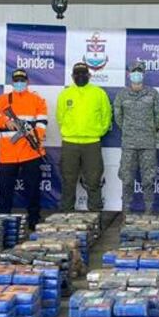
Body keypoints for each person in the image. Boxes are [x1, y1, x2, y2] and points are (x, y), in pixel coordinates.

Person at [0, 68, 48, 230]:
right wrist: (5, 122)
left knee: (33, 189)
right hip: (8, 155)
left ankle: (34, 220)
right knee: (5, 190)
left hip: (30, 152)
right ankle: (2, 221)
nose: (19, 83)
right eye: (16, 80)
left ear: (27, 82)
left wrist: (35, 134)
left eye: (22, 80)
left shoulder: (37, 100)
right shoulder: (2, 100)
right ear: (12, 82)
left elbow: (43, 122)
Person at [55, 61, 112, 212]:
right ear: (72, 76)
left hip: (92, 143)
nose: (80, 76)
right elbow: (60, 117)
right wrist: (70, 131)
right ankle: (66, 214)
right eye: (77, 74)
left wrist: (98, 131)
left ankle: (95, 216)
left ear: (89, 75)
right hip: (70, 143)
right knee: (68, 180)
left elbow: (107, 116)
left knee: (93, 181)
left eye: (83, 74)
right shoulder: (65, 94)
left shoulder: (99, 93)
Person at [114, 60, 159, 213]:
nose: (136, 75)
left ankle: (149, 210)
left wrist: (147, 129)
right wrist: (130, 130)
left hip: (148, 144)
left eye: (139, 72)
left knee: (148, 179)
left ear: (143, 74)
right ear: (129, 75)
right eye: (133, 72)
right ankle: (125, 212)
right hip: (129, 144)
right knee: (127, 179)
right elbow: (118, 118)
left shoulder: (153, 93)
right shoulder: (122, 95)